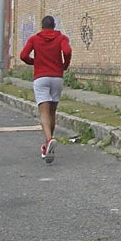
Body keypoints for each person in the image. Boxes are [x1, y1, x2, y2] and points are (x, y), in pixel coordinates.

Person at [19, 15, 72, 163]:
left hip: (41, 78)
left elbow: (23, 55)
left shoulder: (35, 39)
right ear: (54, 26)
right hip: (57, 78)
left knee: (43, 113)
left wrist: (35, 62)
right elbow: (67, 51)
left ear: (42, 26)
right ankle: (48, 145)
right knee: (52, 112)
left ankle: (49, 140)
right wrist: (64, 65)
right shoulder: (61, 38)